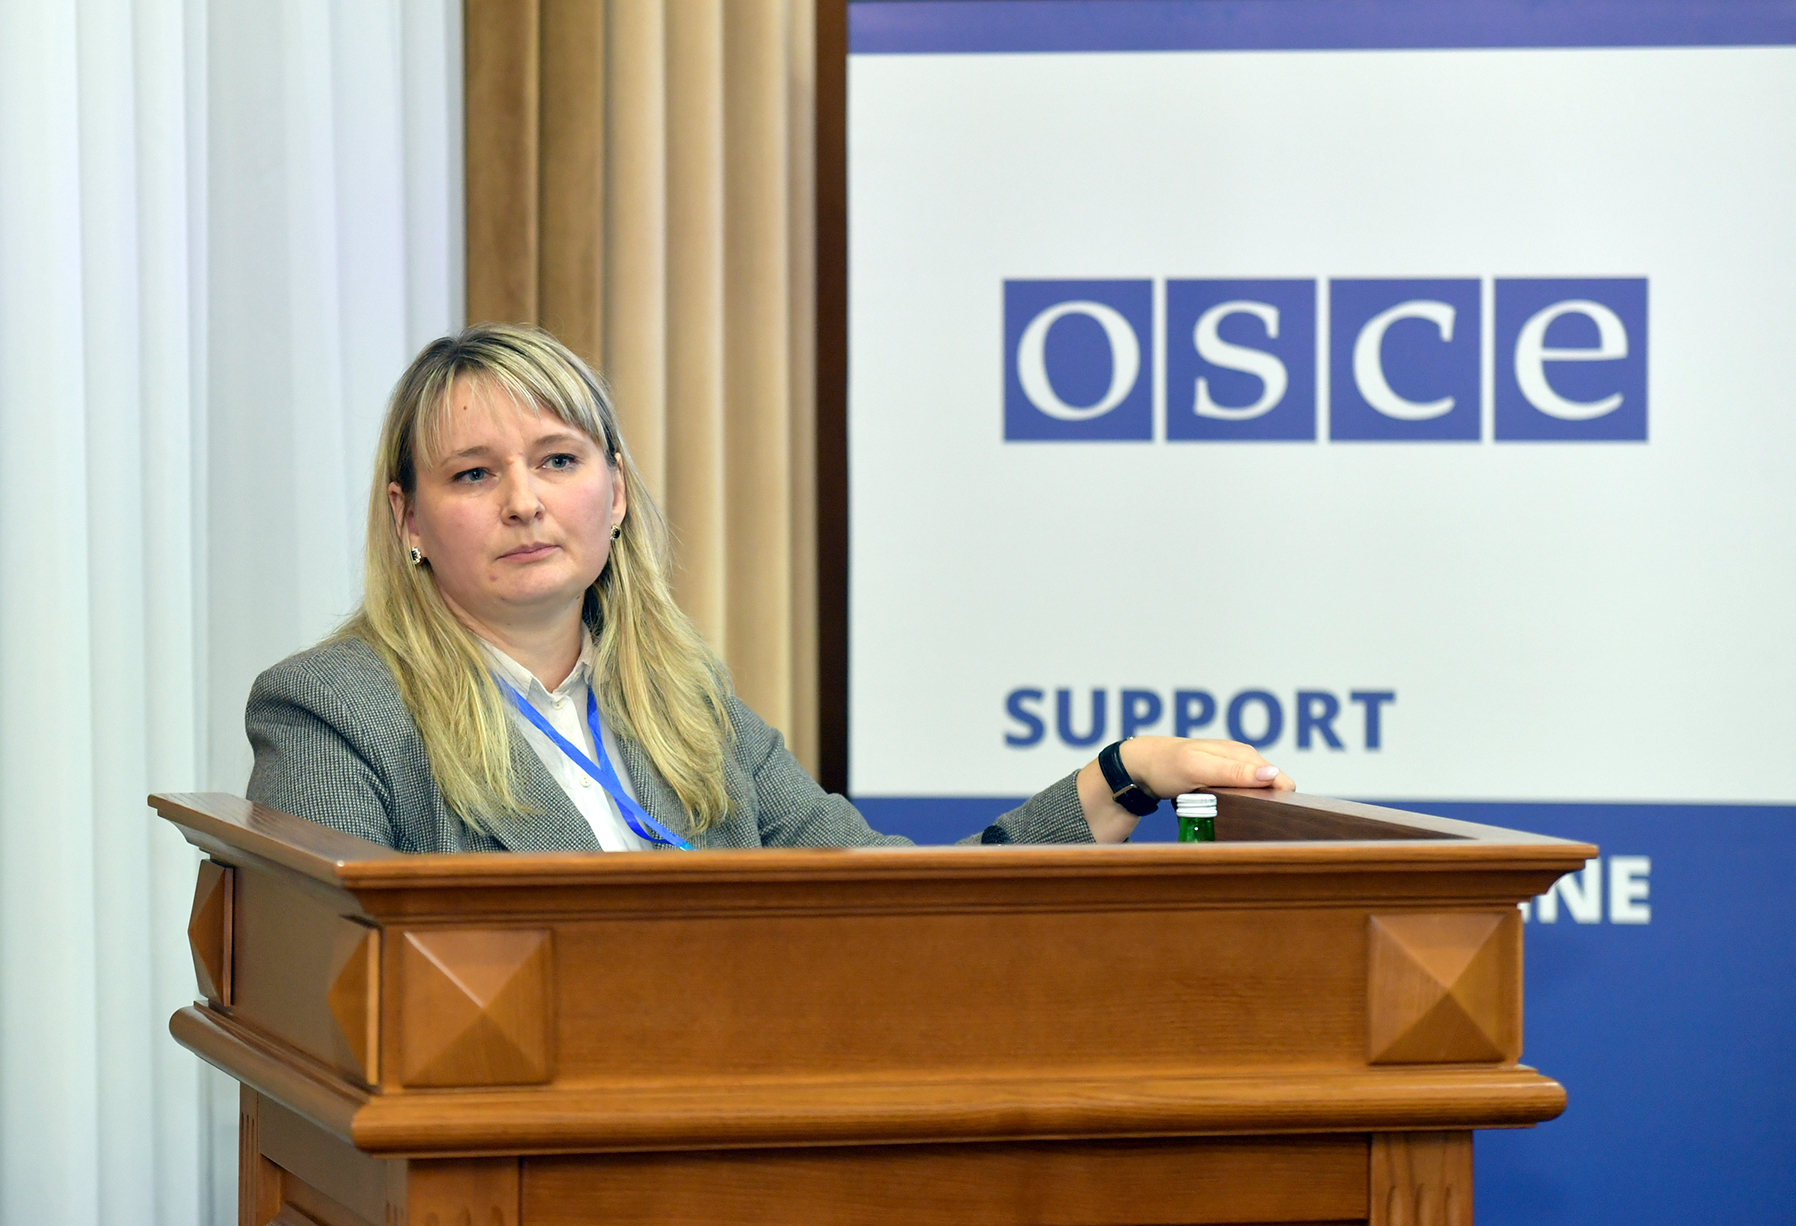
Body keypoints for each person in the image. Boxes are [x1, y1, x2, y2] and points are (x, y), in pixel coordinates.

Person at [246, 324, 1292, 853]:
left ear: (616, 494)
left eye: (558, 460)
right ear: (408, 519)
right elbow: (331, 1003)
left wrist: (1123, 775)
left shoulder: (681, 701)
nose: (525, 501)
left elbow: (891, 901)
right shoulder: (339, 709)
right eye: (474, 474)